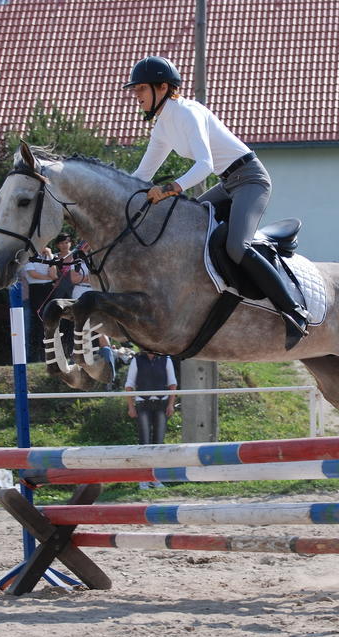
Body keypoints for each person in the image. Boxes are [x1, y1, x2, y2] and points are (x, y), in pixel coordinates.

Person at [125, 55, 309, 350]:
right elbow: (142, 175)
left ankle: (294, 312)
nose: (136, 96)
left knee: (237, 246)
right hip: (227, 184)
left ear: (162, 87)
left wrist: (171, 188)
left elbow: (205, 165)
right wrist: (120, 199)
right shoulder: (162, 126)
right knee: (189, 228)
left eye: (141, 90)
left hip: (250, 180)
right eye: (135, 91)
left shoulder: (186, 112)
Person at [125, 349, 177, 489]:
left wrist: (171, 405)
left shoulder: (166, 359)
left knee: (158, 442)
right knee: (144, 441)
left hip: (161, 404)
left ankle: (155, 478)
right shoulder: (137, 360)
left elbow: (173, 384)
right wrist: (131, 406)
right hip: (143, 403)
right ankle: (143, 478)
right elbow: (129, 385)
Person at [23, 246, 53, 362]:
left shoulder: (49, 256)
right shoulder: (29, 257)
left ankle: (48, 354)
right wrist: (48, 277)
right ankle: (36, 356)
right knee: (37, 323)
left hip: (48, 290)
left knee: (48, 322)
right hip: (35, 290)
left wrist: (50, 255)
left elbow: (54, 273)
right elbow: (32, 274)